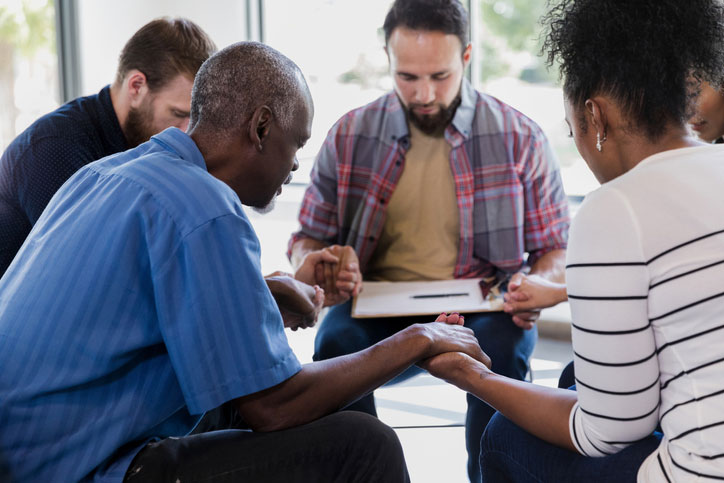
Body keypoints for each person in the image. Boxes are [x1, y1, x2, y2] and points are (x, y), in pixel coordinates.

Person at [0, 41, 489, 483]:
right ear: (260, 126)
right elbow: (274, 406)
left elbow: (132, 304)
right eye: (296, 143)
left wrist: (267, 292)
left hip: (21, 446)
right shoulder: (207, 206)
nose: (295, 163)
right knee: (365, 444)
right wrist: (420, 337)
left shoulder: (106, 173)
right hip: (72, 468)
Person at [422, 0, 724, 481]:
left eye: (573, 128)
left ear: (596, 117)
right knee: (571, 379)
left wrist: (473, 376)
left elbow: (607, 431)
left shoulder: (617, 207)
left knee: (503, 435)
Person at [288, 0, 569, 480]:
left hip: (483, 304)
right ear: (388, 58)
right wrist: (321, 260)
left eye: (439, 76)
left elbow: (553, 251)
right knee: (334, 345)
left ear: (466, 58)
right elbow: (306, 238)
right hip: (376, 308)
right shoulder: (350, 134)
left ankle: (489, 474)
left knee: (505, 351)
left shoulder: (519, 136)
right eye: (407, 77)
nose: (423, 93)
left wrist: (536, 285)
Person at [0, 17, 216, 276]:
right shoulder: (54, 148)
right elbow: (93, 269)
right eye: (178, 112)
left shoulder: (144, 147)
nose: (186, 131)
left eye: (194, 117)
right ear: (136, 86)